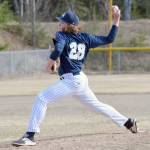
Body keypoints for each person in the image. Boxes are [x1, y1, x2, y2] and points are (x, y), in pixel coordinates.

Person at [12, 6, 137, 146]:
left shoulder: (61, 35)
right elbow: (109, 39)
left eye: (62, 22)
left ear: (69, 25)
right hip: (80, 79)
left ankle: (29, 136)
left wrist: (51, 62)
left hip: (71, 81)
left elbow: (59, 48)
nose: (59, 24)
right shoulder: (86, 38)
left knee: (42, 98)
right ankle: (128, 122)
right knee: (97, 106)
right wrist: (116, 20)